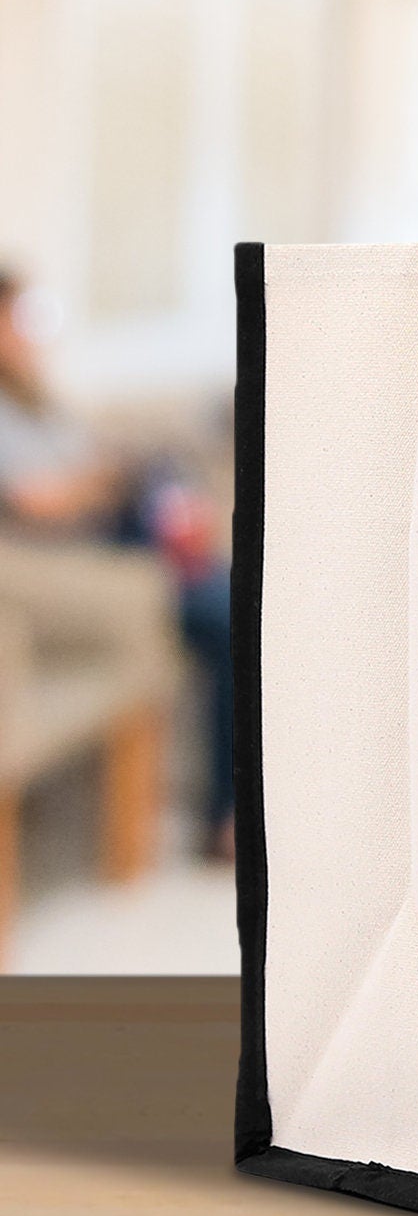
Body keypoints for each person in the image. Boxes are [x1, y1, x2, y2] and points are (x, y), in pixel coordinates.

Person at [0, 268, 234, 860]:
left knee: (237, 592)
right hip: (76, 568)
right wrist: (104, 482)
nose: (28, 332)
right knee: (234, 619)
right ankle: (224, 819)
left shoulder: (36, 398)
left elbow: (88, 463)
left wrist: (121, 470)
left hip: (121, 542)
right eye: (17, 317)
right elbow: (39, 500)